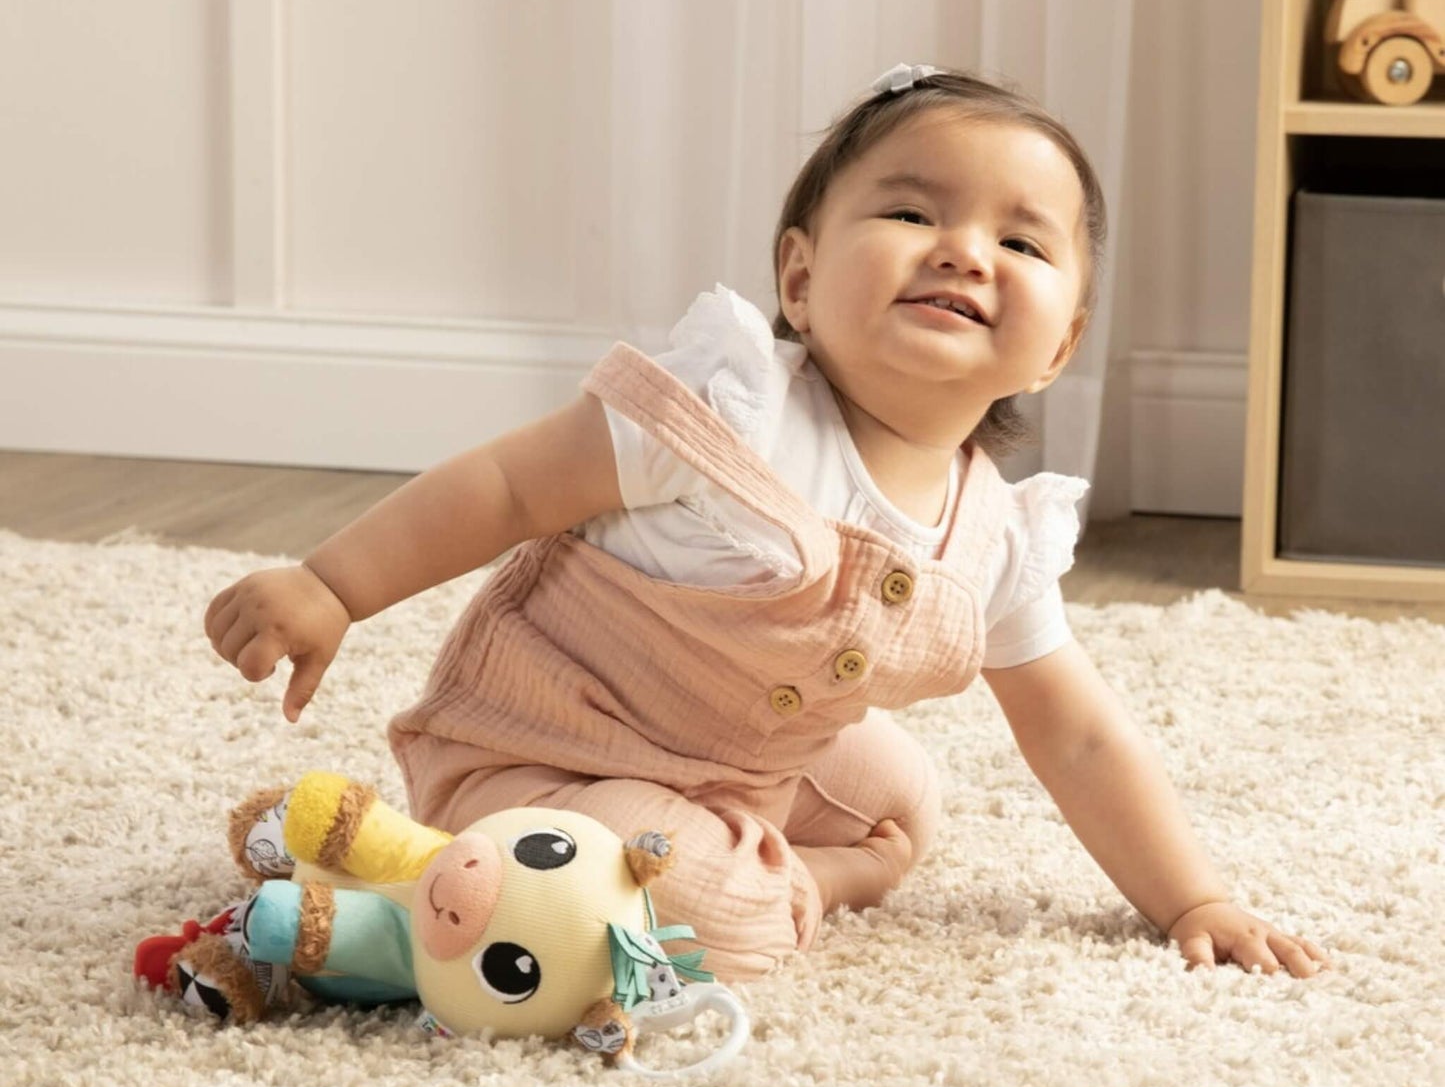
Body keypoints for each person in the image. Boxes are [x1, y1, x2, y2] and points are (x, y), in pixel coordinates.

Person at [204, 64, 1331, 985]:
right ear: (798, 274)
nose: (962, 249)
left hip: (739, 765)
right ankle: (445, 882)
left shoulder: (991, 538)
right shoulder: (725, 413)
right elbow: (507, 486)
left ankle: (790, 864)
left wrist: (1194, 896)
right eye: (908, 210)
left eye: (1022, 243)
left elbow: (1077, 734)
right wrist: (332, 584)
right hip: (544, 757)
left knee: (902, 797)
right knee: (715, 925)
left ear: (1058, 344)